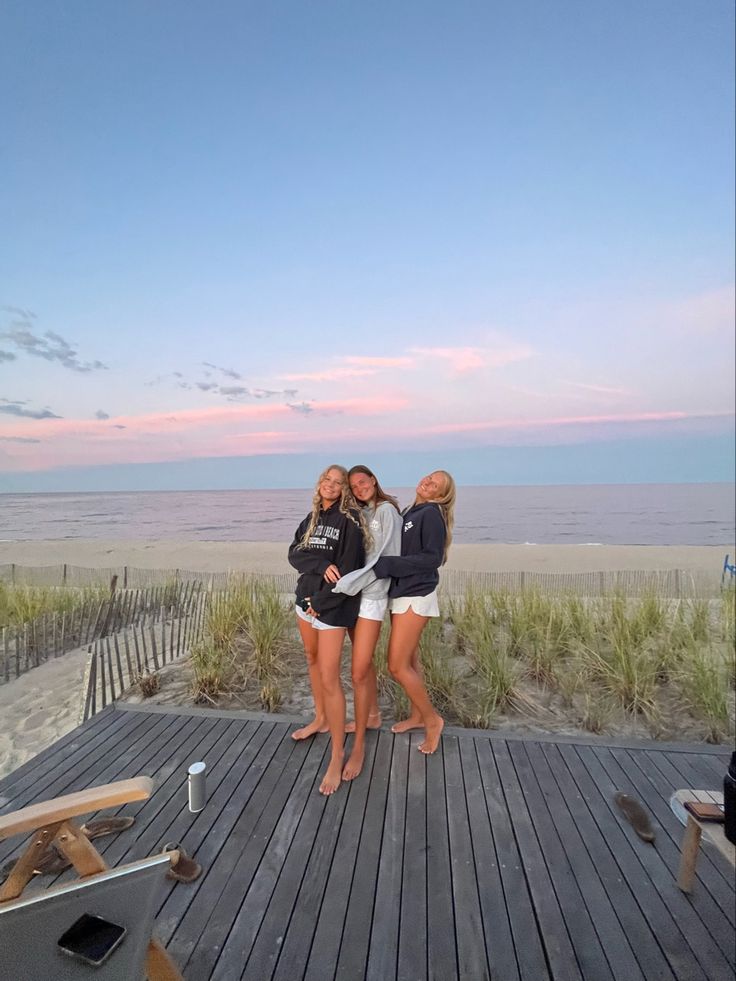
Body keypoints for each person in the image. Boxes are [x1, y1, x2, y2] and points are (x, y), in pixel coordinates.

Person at [372, 470, 456, 754]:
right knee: (409, 660)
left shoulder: (431, 513)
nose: (428, 483)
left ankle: (433, 721)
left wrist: (387, 566)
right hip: (402, 592)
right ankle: (418, 715)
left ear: (440, 495)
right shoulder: (411, 511)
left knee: (396, 665)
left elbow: (433, 558)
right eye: (429, 478)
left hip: (416, 594)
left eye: (436, 484)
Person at [331, 465, 402, 780]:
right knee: (364, 667)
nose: (359, 487)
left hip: (371, 596)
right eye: (353, 485)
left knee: (357, 671)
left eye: (363, 481)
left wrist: (347, 583)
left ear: (374, 479)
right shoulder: (359, 513)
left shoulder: (386, 511)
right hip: (353, 595)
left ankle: (358, 746)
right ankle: (371, 716)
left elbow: (385, 559)